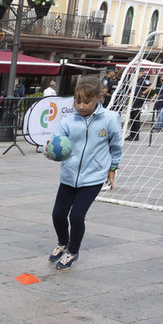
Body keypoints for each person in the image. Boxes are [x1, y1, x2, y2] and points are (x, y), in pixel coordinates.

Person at [46, 75, 122, 271]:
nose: (81, 106)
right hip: (69, 176)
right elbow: (55, 145)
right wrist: (49, 152)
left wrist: (112, 168)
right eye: (78, 101)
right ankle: (63, 243)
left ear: (98, 97)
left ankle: (72, 250)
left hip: (94, 177)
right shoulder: (68, 121)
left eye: (86, 102)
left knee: (77, 216)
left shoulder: (110, 119)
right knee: (58, 214)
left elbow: (116, 146)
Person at [126, 70, 152, 142]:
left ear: (141, 72)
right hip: (133, 101)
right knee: (132, 118)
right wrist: (130, 93)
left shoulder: (143, 80)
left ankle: (136, 136)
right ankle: (132, 134)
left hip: (138, 101)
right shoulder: (137, 80)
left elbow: (150, 86)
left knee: (136, 119)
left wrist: (143, 92)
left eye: (138, 73)